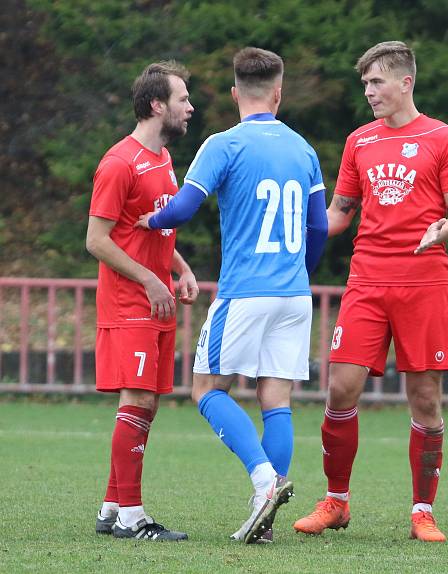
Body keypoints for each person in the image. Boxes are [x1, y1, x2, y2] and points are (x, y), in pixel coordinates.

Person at [137, 47, 328, 543]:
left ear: (233, 93)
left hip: (246, 291)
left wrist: (150, 220)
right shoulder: (304, 148)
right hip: (294, 295)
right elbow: (320, 227)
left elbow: (181, 210)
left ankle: (265, 481)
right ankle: (265, 521)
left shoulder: (224, 143)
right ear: (279, 93)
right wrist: (298, 274)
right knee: (276, 398)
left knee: (206, 389)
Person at [292, 41, 448, 543]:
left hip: (423, 280)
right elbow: (340, 214)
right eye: (365, 83)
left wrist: (444, 230)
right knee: (340, 388)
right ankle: (336, 501)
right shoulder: (359, 141)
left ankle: (422, 511)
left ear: (405, 82)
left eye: (377, 82)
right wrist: (298, 227)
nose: (369, 92)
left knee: (425, 398)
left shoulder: (443, 138)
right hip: (367, 279)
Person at [87, 60, 198, 541]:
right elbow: (97, 239)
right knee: (136, 399)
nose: (190, 107)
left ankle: (112, 507)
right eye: (182, 99)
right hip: (129, 302)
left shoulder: (163, 160)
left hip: (155, 300)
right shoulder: (119, 163)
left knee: (146, 404)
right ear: (157, 105)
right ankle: (133, 517)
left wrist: (179, 268)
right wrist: (149, 280)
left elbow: (150, 228)